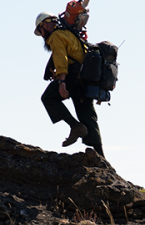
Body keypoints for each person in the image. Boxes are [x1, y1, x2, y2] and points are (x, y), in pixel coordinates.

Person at [34, 12, 105, 158]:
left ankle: (75, 126)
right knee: (87, 115)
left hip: (72, 77)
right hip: (85, 78)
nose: (42, 35)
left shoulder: (55, 36)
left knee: (48, 98)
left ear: (45, 25)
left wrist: (61, 82)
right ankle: (101, 157)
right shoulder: (69, 33)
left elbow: (61, 58)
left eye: (40, 30)